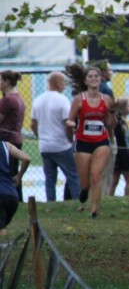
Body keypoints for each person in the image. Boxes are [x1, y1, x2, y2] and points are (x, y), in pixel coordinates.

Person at [66, 64, 115, 218]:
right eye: (90, 76)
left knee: (96, 176)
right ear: (85, 81)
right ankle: (85, 190)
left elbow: (110, 124)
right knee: (85, 181)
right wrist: (71, 125)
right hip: (83, 142)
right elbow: (70, 119)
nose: (94, 79)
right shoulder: (79, 99)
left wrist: (113, 112)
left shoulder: (106, 99)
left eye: (96, 76)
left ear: (100, 79)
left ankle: (94, 210)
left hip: (101, 141)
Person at [31, 71, 81, 201]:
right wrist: (70, 139)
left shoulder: (38, 100)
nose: (65, 85)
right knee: (73, 175)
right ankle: (77, 200)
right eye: (63, 82)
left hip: (45, 146)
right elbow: (68, 124)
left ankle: (50, 202)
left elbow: (33, 124)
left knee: (50, 178)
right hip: (61, 145)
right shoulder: (62, 100)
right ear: (58, 83)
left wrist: (41, 137)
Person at [0, 70, 27, 201]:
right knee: (13, 171)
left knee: (6, 172)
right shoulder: (18, 98)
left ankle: (14, 198)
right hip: (16, 139)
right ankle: (17, 198)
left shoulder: (7, 100)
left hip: (6, 140)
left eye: (0, 80)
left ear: (7, 82)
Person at [96, 61, 118, 196]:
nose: (111, 73)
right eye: (110, 70)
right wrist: (111, 137)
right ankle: (102, 196)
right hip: (105, 135)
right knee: (106, 171)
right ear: (103, 72)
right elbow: (109, 118)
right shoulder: (106, 91)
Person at [0, 140, 30, 234]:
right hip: (11, 195)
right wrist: (19, 177)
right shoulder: (6, 145)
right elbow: (26, 158)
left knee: (1, 231)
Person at [110, 98, 129, 196]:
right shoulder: (119, 123)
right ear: (122, 108)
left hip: (119, 153)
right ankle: (127, 196)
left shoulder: (120, 121)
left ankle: (110, 196)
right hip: (123, 153)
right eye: (128, 106)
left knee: (115, 178)